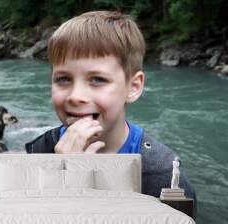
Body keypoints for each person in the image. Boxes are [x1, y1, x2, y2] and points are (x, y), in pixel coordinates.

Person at [24, 10, 196, 205]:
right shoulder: (40, 152)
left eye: (97, 79)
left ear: (133, 87)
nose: (75, 96)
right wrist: (59, 178)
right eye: (63, 79)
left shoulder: (163, 175)